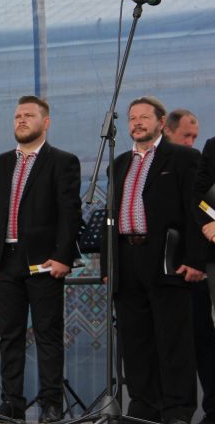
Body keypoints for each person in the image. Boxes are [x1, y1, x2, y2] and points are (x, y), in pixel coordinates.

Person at [0, 96, 82, 423]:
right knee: (10, 336)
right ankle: (12, 404)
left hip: (43, 262)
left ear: (45, 122)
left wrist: (62, 255)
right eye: (17, 116)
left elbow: (70, 213)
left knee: (48, 334)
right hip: (5, 260)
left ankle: (51, 403)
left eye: (29, 115)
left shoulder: (62, 161)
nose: (21, 120)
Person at [105, 96, 203, 424]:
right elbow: (109, 217)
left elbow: (195, 211)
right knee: (135, 339)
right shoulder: (119, 163)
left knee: (173, 338)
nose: (137, 122)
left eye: (144, 117)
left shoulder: (183, 158)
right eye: (132, 118)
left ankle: (177, 410)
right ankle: (144, 406)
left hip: (165, 257)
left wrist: (195, 259)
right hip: (127, 257)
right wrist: (108, 266)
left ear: (161, 123)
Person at [164, 110, 215, 424]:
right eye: (186, 135)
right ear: (166, 130)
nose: (191, 142)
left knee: (203, 339)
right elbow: (202, 199)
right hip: (168, 270)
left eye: (194, 136)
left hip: (195, 266)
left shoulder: (193, 157)